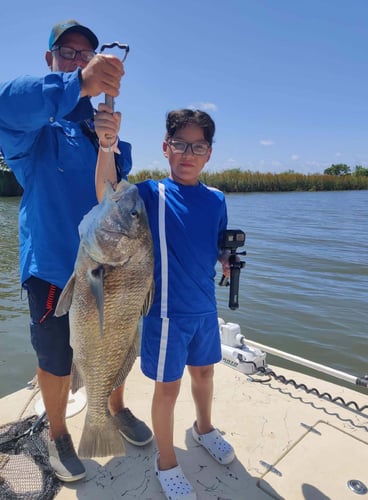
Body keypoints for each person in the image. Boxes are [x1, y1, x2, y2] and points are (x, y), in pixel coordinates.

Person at [0, 19, 152, 483]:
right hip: (51, 264)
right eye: (67, 52)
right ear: (50, 61)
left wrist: (108, 140)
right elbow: (5, 106)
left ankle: (114, 407)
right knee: (55, 358)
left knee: (118, 335)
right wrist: (77, 84)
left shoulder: (110, 134)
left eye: (85, 55)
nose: (78, 59)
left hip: (114, 266)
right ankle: (59, 433)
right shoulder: (34, 132)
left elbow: (114, 192)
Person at [95, 108, 235, 500]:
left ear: (209, 153)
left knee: (205, 375)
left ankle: (203, 429)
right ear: (165, 148)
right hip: (165, 314)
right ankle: (167, 460)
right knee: (167, 389)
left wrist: (226, 259)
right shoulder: (150, 193)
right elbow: (106, 193)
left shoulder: (217, 198)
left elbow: (217, 243)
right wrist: (107, 145)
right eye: (179, 144)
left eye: (198, 146)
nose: (187, 153)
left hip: (205, 309)